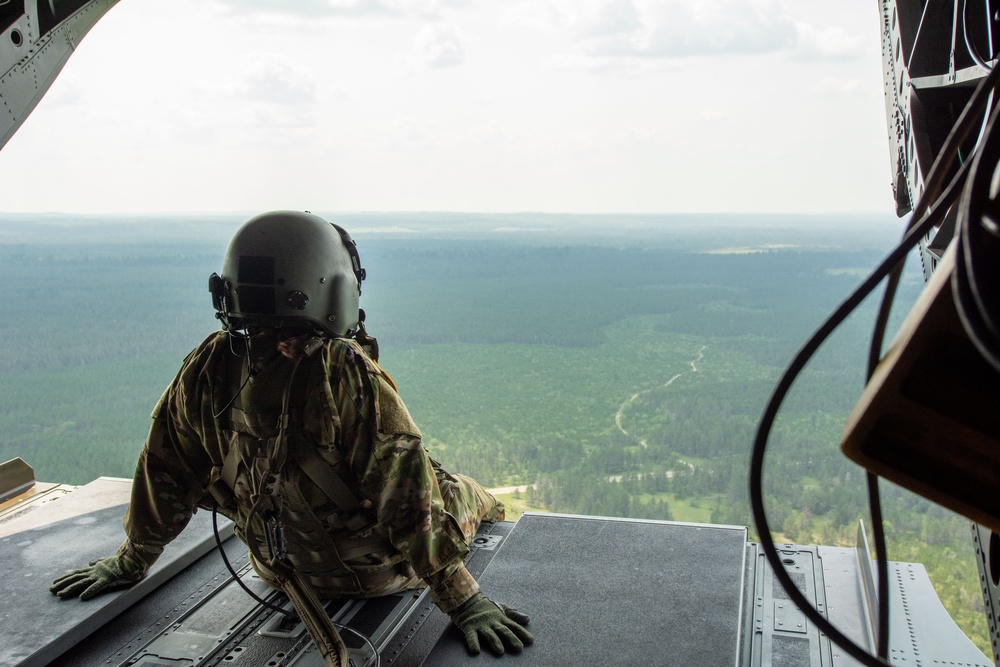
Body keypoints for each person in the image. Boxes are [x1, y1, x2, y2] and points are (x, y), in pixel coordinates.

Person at [50, 211, 533, 664]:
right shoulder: (342, 372)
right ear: (330, 288)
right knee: (455, 490)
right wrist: (465, 602)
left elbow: (164, 470)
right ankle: (488, 500)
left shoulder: (207, 365)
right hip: (375, 577)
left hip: (279, 571)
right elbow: (407, 500)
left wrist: (130, 562)